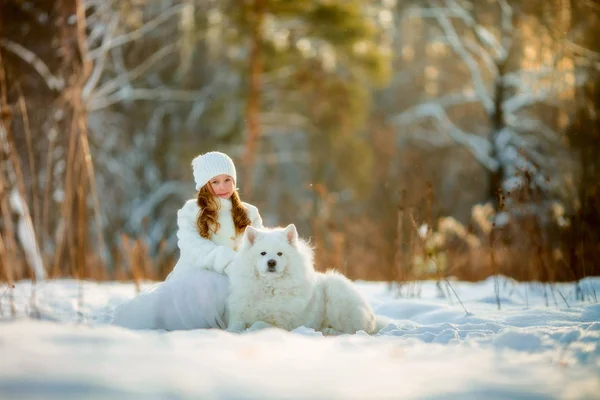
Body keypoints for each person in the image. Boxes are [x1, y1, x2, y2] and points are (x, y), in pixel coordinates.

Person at [112, 151, 264, 330]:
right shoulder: (192, 211)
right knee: (212, 288)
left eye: (227, 180)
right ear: (204, 185)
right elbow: (195, 247)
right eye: (215, 182)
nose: (223, 187)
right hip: (198, 279)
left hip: (239, 277)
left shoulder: (249, 213)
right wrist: (230, 262)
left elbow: (260, 247)